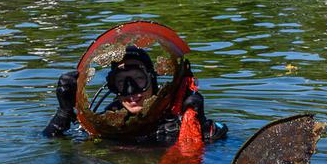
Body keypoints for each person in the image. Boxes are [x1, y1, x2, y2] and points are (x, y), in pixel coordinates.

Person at [43, 44, 227, 146]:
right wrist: (64, 113)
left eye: (139, 80)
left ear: (152, 81)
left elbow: (223, 139)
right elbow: (52, 145)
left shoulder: (175, 120)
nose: (131, 92)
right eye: (122, 82)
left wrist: (198, 121)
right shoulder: (106, 124)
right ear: (113, 87)